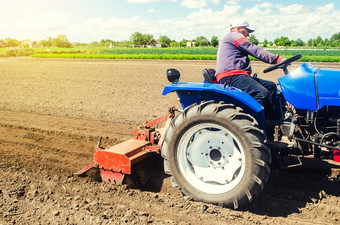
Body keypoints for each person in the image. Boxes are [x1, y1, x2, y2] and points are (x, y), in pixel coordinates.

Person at [215, 20, 284, 120]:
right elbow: (254, 50)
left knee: (271, 87)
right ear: (238, 28)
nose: (248, 34)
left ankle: (271, 122)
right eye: (247, 31)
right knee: (261, 93)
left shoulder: (230, 38)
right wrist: (277, 59)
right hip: (231, 76)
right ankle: (246, 123)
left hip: (237, 75)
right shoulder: (233, 35)